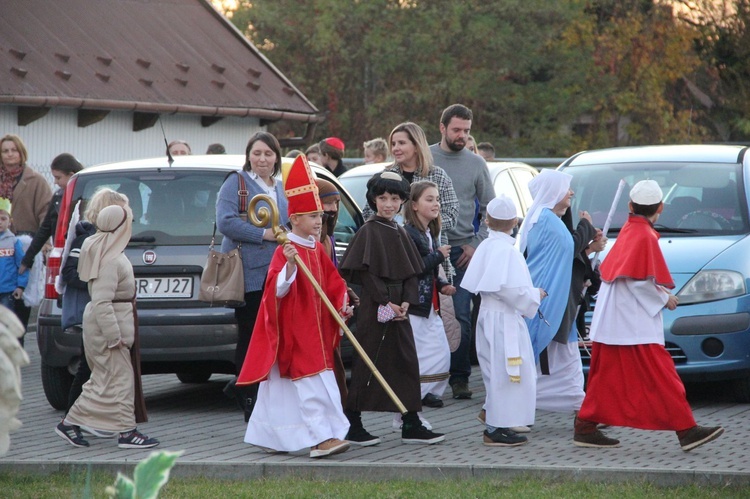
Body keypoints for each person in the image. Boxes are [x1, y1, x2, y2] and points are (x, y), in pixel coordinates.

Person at [575, 180, 725, 451]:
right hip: (630, 323)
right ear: (661, 208)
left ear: (630, 207)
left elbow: (631, 275)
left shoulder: (632, 231)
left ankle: (585, 427)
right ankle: (686, 430)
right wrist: (664, 298)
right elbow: (638, 280)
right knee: (663, 375)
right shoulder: (643, 235)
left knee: (604, 378)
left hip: (614, 320)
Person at [237, 155, 352, 458]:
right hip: (296, 330)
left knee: (291, 389)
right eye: (313, 216)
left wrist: (342, 303)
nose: (319, 221)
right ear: (296, 218)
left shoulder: (315, 247)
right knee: (310, 386)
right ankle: (320, 438)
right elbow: (276, 289)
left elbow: (332, 281)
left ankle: (273, 435)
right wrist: (289, 265)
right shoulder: (287, 249)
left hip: (316, 330)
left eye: (321, 217)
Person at [339, 171, 445, 446]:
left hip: (400, 307)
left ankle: (410, 421)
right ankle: (352, 421)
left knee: (406, 362)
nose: (388, 204)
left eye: (394, 198)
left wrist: (408, 300)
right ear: (373, 200)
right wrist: (386, 300)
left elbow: (412, 271)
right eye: (382, 198)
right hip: (377, 307)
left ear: (402, 202)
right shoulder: (369, 231)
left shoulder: (399, 230)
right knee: (369, 361)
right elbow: (365, 273)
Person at [56, 201, 158, 449]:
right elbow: (102, 301)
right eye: (128, 223)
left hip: (110, 320)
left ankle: (73, 423)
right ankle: (126, 433)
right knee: (120, 379)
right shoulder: (110, 257)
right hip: (109, 324)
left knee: (104, 380)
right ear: (119, 227)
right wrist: (113, 336)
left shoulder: (101, 247)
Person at [461, 195, 546, 446]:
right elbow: (510, 290)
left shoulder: (488, 245)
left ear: (486, 220)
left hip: (489, 315)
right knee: (508, 372)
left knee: (495, 371)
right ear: (514, 222)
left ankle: (499, 419)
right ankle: (495, 428)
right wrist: (535, 295)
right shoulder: (505, 251)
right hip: (504, 319)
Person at [217, 131, 289, 421]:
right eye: (257, 153)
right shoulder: (237, 182)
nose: (262, 159)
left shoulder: (280, 187)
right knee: (250, 337)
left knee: (274, 337)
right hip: (249, 275)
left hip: (279, 273)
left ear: (276, 157)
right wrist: (263, 234)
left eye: (268, 154)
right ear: (248, 155)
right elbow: (225, 222)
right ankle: (247, 394)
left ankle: (266, 397)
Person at [429, 104, 495, 400]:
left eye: (467, 131)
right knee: (428, 315)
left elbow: (493, 211)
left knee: (461, 316)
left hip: (463, 251)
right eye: (456, 130)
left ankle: (460, 377)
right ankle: (428, 378)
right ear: (442, 128)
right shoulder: (426, 157)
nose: (462, 136)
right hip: (428, 246)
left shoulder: (476, 164)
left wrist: (476, 244)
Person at [516, 169, 595, 414]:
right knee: (556, 357)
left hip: (556, 298)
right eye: (566, 188)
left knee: (567, 360)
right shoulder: (547, 220)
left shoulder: (544, 217)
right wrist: (587, 227)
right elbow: (569, 247)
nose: (571, 192)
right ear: (553, 192)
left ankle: (579, 408)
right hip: (551, 301)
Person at [61, 189, 129, 417]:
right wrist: (95, 282)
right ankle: (71, 419)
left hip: (99, 311)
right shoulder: (88, 239)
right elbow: (70, 272)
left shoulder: (106, 240)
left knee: (93, 368)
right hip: (89, 313)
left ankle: (88, 419)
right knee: (87, 369)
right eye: (124, 209)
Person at [361, 122, 459, 253]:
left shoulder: (437, 175)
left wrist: (420, 225)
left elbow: (451, 215)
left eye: (401, 143)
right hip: (390, 250)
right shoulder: (384, 177)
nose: (396, 148)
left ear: (417, 146)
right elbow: (368, 212)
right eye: (393, 144)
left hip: (431, 252)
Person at [402, 181, 454, 414]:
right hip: (415, 304)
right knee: (426, 351)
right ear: (414, 205)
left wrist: (442, 284)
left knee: (440, 350)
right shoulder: (409, 233)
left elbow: (429, 271)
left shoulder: (428, 232)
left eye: (437, 199)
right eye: (429, 199)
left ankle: (430, 391)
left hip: (429, 303)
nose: (436, 204)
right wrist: (438, 256)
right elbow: (413, 268)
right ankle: (419, 393)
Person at [0, 134, 52, 337]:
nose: (10, 154)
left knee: (19, 313)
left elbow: (46, 215)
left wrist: (44, 243)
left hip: (25, 247)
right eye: (5, 150)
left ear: (21, 153)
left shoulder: (36, 181)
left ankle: (15, 362)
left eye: (14, 150)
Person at [20, 153, 84, 273]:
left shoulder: (86, 197)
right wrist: (27, 259)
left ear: (71, 175)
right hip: (62, 256)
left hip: (81, 258)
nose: (55, 182)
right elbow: (45, 229)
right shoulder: (58, 197)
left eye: (58, 177)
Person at [0, 199, 29, 314]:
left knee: (7, 321)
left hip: (8, 291)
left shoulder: (14, 242)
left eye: (3, 219)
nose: (0, 222)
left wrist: (20, 286)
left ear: (10, 221)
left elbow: (22, 265)